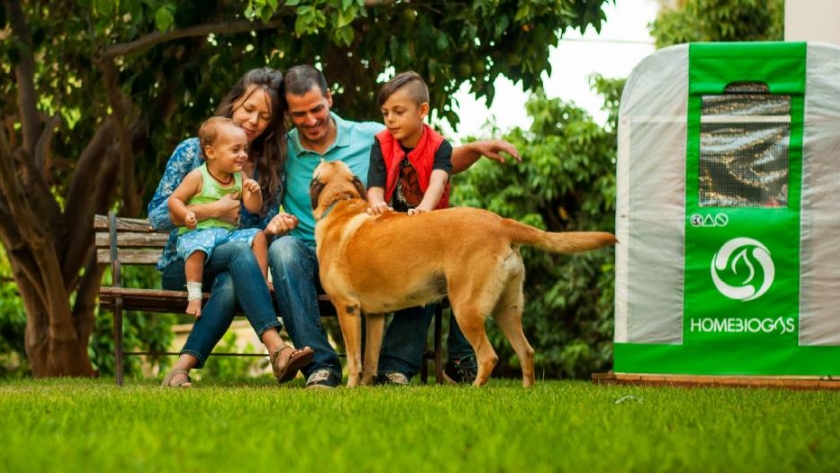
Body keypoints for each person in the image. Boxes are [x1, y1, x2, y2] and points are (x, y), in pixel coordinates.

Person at [265, 65, 520, 389]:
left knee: (418, 248)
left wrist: (474, 149)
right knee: (283, 250)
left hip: (370, 253)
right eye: (300, 114)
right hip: (310, 256)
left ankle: (395, 368)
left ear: (329, 98)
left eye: (317, 108)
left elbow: (434, 157)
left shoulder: (372, 135)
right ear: (288, 113)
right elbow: (262, 198)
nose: (311, 120)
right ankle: (321, 367)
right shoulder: (281, 150)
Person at [148, 68, 313, 388]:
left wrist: (274, 227)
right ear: (234, 103)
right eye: (248, 109)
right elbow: (156, 216)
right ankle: (276, 348)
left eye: (264, 116)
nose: (253, 120)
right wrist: (210, 210)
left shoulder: (268, 167)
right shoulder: (192, 151)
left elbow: (260, 232)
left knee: (231, 277)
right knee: (238, 252)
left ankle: (180, 369)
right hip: (185, 264)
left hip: (237, 269)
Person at [365, 71, 477, 384]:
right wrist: (376, 203)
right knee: (420, 281)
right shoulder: (381, 143)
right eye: (385, 113)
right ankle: (395, 366)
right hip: (391, 235)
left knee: (457, 276)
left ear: (422, 111)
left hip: (431, 233)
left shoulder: (440, 146)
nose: (390, 120)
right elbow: (374, 185)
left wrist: (423, 212)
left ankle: (459, 359)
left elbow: (438, 182)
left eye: (398, 112)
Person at [168, 117, 268, 317]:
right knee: (196, 250)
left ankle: (262, 281)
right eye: (235, 150)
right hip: (198, 234)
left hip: (226, 237)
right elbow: (174, 201)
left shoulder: (240, 177)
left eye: (245, 149)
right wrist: (187, 214)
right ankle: (194, 295)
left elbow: (253, 207)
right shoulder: (198, 176)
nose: (242, 155)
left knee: (258, 236)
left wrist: (254, 192)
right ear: (211, 152)